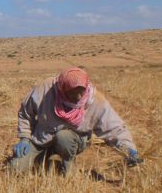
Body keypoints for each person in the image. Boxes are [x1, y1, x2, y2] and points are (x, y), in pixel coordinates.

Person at [10, 67, 144, 174]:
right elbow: (25, 112)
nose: (79, 97)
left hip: (71, 142)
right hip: (42, 138)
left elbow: (115, 129)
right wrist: (24, 138)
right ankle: (44, 159)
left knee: (63, 136)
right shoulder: (46, 90)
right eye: (73, 93)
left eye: (82, 91)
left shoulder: (95, 100)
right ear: (62, 89)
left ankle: (69, 162)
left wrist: (129, 150)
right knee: (15, 168)